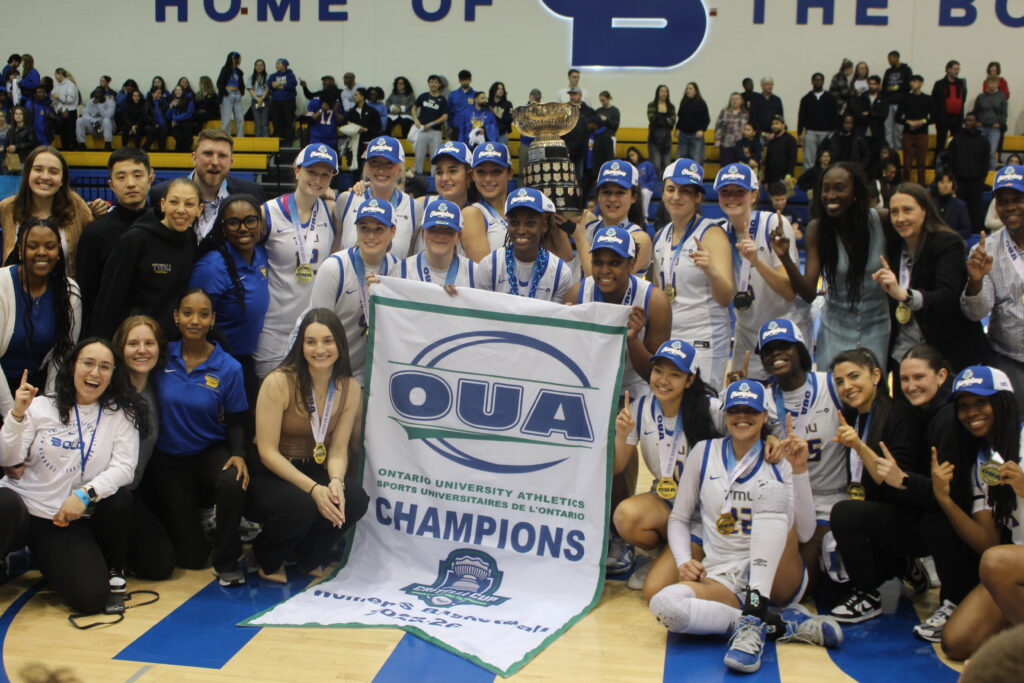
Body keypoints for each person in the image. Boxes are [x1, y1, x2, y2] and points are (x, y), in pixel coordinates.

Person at [650, 379, 839, 674]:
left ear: (765, 416)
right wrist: (684, 561)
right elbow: (679, 518)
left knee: (770, 490)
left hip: (779, 575)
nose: (742, 417)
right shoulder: (704, 452)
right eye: (735, 410)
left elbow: (804, 533)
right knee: (665, 604)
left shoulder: (779, 457)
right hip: (726, 574)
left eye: (751, 410)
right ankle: (769, 624)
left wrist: (799, 470)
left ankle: (757, 609)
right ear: (725, 414)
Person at [0, 338, 146, 614]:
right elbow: (7, 459)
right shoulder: (41, 406)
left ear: (114, 374)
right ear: (72, 367)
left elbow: (124, 468)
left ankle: (43, 560)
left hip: (59, 519)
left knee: (90, 599)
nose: (95, 373)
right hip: (20, 508)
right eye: (88, 363)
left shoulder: (121, 414)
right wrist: (17, 415)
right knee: (3, 503)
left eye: (105, 367)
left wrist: (86, 494)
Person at [246, 308, 369, 582]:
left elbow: (337, 450)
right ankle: (264, 556)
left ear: (340, 343)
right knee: (301, 505)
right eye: (310, 342)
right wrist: (314, 489)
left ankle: (305, 555)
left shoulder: (350, 388)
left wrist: (335, 480)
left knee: (353, 499)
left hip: (316, 466)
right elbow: (267, 452)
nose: (320, 349)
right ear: (299, 345)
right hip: (271, 473)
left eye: (328, 341)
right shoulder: (278, 381)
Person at [143, 289, 248, 586]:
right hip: (169, 460)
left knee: (233, 480)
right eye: (187, 312)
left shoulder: (229, 368)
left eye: (204, 314)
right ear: (176, 317)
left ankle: (227, 558)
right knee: (190, 558)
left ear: (213, 319)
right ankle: (198, 524)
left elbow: (238, 418)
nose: (195, 320)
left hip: (208, 450)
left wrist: (239, 453)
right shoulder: (160, 355)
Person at [612, 340, 722, 597]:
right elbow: (617, 467)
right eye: (658, 371)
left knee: (653, 591)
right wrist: (621, 435)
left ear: (690, 380)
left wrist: (770, 439)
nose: (663, 380)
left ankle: (703, 552)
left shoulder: (712, 410)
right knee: (625, 516)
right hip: (668, 502)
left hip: (703, 511)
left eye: (675, 374)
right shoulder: (640, 409)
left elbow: (749, 433)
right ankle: (661, 554)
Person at [827, 347, 927, 623]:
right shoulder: (856, 415)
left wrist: (858, 446)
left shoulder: (899, 414)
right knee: (829, 589)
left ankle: (869, 595)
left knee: (845, 513)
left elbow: (896, 482)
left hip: (913, 521)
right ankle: (902, 564)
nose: (847, 386)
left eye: (854, 376)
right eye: (839, 381)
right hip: (882, 517)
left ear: (875, 375)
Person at [935, 366, 1024, 659]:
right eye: (964, 406)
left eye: (981, 402)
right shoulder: (982, 461)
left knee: (997, 563)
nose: (971, 413)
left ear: (1003, 402)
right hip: (1016, 564)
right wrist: (945, 500)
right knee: (957, 641)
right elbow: (987, 543)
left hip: (1012, 563)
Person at [757, 318, 845, 592]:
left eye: (784, 346)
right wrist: (766, 435)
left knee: (808, 584)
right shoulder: (765, 399)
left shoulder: (832, 386)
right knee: (792, 585)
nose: (776, 354)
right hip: (791, 498)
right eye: (769, 350)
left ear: (802, 350)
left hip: (832, 496)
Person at [776, 162, 889, 371]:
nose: (830, 195)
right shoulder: (817, 229)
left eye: (839, 187)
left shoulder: (881, 220)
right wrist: (784, 258)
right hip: (834, 327)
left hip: (877, 325)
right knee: (832, 394)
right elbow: (809, 292)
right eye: (825, 189)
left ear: (855, 191)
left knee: (873, 395)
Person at [254, 144, 339, 378]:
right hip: (273, 327)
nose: (318, 180)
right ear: (297, 171)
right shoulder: (267, 212)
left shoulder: (332, 210)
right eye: (312, 172)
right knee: (271, 401)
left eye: (325, 174)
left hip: (312, 330)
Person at [714, 163, 802, 381]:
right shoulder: (719, 233)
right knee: (747, 405)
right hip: (746, 334)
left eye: (739, 192)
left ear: (753, 195)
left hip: (784, 329)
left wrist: (756, 261)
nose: (732, 197)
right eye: (726, 192)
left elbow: (789, 291)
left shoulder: (773, 224)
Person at [652, 159, 733, 391]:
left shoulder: (711, 233)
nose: (676, 196)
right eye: (670, 189)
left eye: (684, 191)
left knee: (703, 410)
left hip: (704, 339)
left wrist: (711, 270)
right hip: (671, 338)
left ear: (698, 197)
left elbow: (726, 297)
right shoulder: (660, 236)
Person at [567, 226, 671, 397]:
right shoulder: (576, 295)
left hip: (635, 389)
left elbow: (655, 376)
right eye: (598, 262)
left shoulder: (654, 301)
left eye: (615, 263)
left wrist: (633, 340)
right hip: (588, 385)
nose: (605, 270)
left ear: (631, 264)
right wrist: (570, 333)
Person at [92, 177, 200, 340]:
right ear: (163, 204)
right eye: (174, 202)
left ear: (200, 209)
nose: (181, 210)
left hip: (171, 344)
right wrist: (103, 344)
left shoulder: (190, 240)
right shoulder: (134, 240)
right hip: (134, 343)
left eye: (189, 204)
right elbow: (109, 301)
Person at [111, 316, 176, 587]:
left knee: (160, 565)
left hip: (132, 492)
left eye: (149, 343)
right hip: (103, 494)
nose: (141, 350)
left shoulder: (158, 387)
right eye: (133, 343)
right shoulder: (109, 389)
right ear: (120, 348)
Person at [308, 199, 400, 385]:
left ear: (393, 231)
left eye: (379, 229)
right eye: (364, 228)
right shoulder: (335, 267)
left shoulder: (397, 269)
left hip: (370, 374)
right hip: (330, 369)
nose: (370, 236)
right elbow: (316, 330)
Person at [190, 194, 269, 405]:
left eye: (250, 220)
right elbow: (193, 324)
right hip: (217, 364)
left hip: (247, 359)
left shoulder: (260, 253)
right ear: (223, 227)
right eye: (233, 222)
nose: (243, 228)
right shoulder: (212, 268)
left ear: (260, 224)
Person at [0, 218, 81, 416]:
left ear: (59, 253)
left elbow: (62, 355)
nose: (42, 252)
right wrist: (12, 413)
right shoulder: (2, 284)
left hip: (36, 388)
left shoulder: (69, 292)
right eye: (33, 246)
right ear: (20, 250)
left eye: (50, 246)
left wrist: (49, 407)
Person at [962, 165, 1024, 413]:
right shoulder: (985, 250)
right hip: (1009, 359)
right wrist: (975, 281)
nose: (1009, 207)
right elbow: (977, 313)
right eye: (1002, 201)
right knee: (1013, 434)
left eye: (1018, 199)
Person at [76, 148, 154, 334]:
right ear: (111, 185)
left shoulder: (165, 227)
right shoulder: (95, 233)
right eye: (121, 177)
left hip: (156, 337)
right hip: (110, 336)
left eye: (137, 175)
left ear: (150, 179)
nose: (130, 184)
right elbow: (88, 295)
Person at [149, 129, 266, 239]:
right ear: (194, 158)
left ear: (231, 162)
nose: (215, 162)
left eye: (222, 156)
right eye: (208, 154)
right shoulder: (160, 193)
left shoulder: (252, 193)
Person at [0, 146, 95, 276]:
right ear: (28, 174)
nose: (45, 177)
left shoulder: (76, 206)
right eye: (38, 169)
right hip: (14, 294)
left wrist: (99, 213)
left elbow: (96, 239)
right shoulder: (9, 207)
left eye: (53, 172)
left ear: (62, 180)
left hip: (64, 293)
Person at [475, 187, 571, 303]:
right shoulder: (489, 266)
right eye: (514, 223)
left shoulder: (560, 272)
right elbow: (482, 313)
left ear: (544, 226)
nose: (521, 231)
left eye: (530, 223)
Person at [335, 136, 420, 259]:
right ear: (367, 167)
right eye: (375, 162)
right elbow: (335, 249)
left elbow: (411, 259)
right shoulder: (346, 200)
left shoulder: (414, 208)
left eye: (388, 163)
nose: (381, 169)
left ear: (400, 169)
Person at [585, 160, 653, 275]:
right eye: (606, 192)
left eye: (620, 193)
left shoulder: (640, 238)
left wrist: (579, 238)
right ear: (598, 196)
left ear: (634, 197)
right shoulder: (588, 227)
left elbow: (601, 280)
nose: (612, 199)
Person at [399, 198, 475, 287]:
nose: (440, 235)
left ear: (459, 236)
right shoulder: (401, 271)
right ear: (423, 233)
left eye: (448, 230)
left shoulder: (475, 273)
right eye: (433, 229)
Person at [460, 142, 513, 262]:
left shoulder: (517, 210)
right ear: (473, 175)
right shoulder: (471, 213)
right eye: (481, 172)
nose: (488, 179)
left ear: (509, 173)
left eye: (496, 171)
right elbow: (483, 273)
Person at [948, 113, 991, 234]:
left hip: (976, 182)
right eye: (966, 120)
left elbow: (985, 162)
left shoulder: (983, 141)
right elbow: (950, 160)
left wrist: (981, 180)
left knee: (976, 211)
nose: (967, 122)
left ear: (977, 122)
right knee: (959, 210)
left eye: (971, 120)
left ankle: (977, 236)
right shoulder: (956, 140)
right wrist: (954, 180)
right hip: (960, 182)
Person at [797, 73, 839, 174]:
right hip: (810, 132)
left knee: (826, 159)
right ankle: (808, 182)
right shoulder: (806, 99)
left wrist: (833, 133)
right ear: (812, 82)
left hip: (826, 133)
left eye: (820, 80)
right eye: (815, 80)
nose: (818, 82)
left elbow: (834, 116)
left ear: (823, 82)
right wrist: (799, 133)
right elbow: (801, 116)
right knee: (809, 160)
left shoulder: (830, 98)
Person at [419, 141, 474, 210]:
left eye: (452, 171)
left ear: (469, 176)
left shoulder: (483, 213)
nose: (444, 178)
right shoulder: (420, 206)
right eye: (439, 172)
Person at [411, 75, 448, 175]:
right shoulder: (423, 96)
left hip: (436, 132)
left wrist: (431, 124)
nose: (433, 84)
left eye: (435, 82)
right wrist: (416, 120)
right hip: (422, 131)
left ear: (439, 84)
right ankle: (417, 179)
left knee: (435, 157)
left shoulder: (442, 100)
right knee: (419, 156)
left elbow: (445, 117)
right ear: (428, 83)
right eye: (431, 82)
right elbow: (414, 108)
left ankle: (434, 179)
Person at [898, 75, 931, 185]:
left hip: (922, 133)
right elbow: (897, 117)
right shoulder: (905, 98)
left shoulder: (927, 99)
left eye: (915, 81)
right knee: (907, 164)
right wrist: (908, 121)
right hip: (908, 133)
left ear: (921, 83)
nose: (913, 84)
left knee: (921, 163)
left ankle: (921, 187)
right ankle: (906, 186)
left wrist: (922, 121)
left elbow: (934, 117)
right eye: (911, 81)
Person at [338, 88, 381, 172]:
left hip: (367, 142)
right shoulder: (351, 112)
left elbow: (377, 126)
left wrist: (366, 130)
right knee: (355, 167)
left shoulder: (372, 111)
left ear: (362, 97)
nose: (354, 97)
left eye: (356, 95)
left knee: (367, 166)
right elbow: (343, 125)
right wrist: (354, 129)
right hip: (354, 142)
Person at [932, 60, 967, 153]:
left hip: (957, 118)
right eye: (955, 69)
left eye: (958, 69)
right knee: (940, 142)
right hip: (943, 118)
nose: (957, 71)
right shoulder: (939, 84)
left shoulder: (961, 83)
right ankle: (938, 163)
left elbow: (963, 99)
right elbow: (934, 100)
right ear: (948, 69)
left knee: (956, 142)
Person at [975, 77, 1008, 171]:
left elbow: (1004, 113)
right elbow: (976, 111)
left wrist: (1000, 123)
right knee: (980, 151)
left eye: (994, 83)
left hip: (994, 128)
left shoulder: (1002, 96)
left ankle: (991, 172)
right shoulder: (981, 96)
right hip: (981, 127)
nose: (992, 85)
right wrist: (977, 122)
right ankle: (979, 171)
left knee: (991, 152)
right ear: (986, 84)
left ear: (998, 84)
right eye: (990, 83)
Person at [882, 50, 913, 150]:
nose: (890, 62)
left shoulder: (906, 70)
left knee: (899, 129)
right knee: (888, 128)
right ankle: (890, 149)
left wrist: (895, 88)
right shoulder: (888, 71)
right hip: (889, 102)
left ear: (897, 58)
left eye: (891, 59)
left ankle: (899, 150)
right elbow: (884, 87)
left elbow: (909, 85)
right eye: (888, 60)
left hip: (901, 103)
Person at [931, 172, 972, 240]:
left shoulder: (960, 205)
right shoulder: (930, 204)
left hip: (953, 243)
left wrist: (949, 236)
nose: (945, 185)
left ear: (953, 184)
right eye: (942, 182)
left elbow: (966, 231)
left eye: (949, 182)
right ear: (937, 185)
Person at [647, 85, 675, 177]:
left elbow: (672, 121)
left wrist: (660, 120)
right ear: (658, 93)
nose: (664, 93)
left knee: (667, 164)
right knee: (656, 164)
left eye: (666, 91)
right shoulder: (651, 105)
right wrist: (665, 120)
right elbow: (652, 119)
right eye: (662, 91)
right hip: (654, 137)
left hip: (667, 137)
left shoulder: (671, 106)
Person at [268, 58, 297, 146]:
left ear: (284, 65)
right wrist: (283, 83)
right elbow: (270, 84)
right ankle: (277, 140)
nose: (276, 65)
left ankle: (288, 141)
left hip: (288, 102)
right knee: (276, 121)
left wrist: (277, 85)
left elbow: (292, 84)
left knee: (288, 122)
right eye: (276, 63)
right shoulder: (273, 75)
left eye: (278, 63)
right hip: (275, 102)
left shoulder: (290, 75)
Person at [216, 52, 245, 138]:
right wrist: (225, 92)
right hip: (227, 95)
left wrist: (241, 92)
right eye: (233, 58)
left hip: (237, 95)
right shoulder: (225, 69)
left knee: (240, 118)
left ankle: (240, 136)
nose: (235, 60)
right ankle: (225, 137)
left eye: (237, 58)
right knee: (226, 119)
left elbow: (241, 84)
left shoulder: (239, 72)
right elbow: (219, 83)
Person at [714, 93, 747, 167]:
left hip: (741, 145)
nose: (735, 101)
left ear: (741, 101)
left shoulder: (746, 113)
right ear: (730, 101)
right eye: (733, 99)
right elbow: (718, 126)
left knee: (739, 168)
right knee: (726, 167)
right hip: (726, 144)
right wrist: (717, 139)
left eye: (737, 99)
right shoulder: (724, 112)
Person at [591, 91, 620, 175]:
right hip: (599, 138)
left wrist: (606, 120)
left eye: (603, 100)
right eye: (600, 100)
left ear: (608, 99)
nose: (602, 102)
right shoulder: (598, 110)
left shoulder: (614, 110)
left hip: (610, 137)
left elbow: (615, 125)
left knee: (609, 158)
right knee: (599, 159)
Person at [763, 116, 797, 185]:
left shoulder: (790, 140)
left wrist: (789, 175)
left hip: (784, 178)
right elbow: (768, 160)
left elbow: (792, 159)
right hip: (771, 179)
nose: (774, 126)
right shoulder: (771, 141)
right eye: (772, 124)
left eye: (777, 123)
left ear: (783, 125)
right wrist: (766, 179)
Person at [51, 68, 79, 151]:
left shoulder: (70, 85)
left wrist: (59, 97)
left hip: (69, 111)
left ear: (60, 74)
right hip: (60, 111)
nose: (55, 77)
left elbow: (71, 99)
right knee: (63, 132)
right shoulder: (58, 86)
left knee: (69, 131)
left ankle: (72, 148)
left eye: (56, 75)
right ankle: (65, 148)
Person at [447, 69, 476, 140]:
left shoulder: (476, 95)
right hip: (457, 127)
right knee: (456, 149)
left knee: (470, 149)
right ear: (459, 81)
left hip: (471, 127)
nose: (464, 82)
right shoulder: (452, 94)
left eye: (466, 79)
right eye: (462, 80)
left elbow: (478, 111)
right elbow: (449, 112)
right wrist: (450, 127)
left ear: (470, 80)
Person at [166, 85, 195, 153]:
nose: (177, 91)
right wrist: (171, 107)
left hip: (186, 123)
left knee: (188, 137)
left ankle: (186, 156)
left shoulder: (189, 100)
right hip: (176, 125)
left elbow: (188, 114)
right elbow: (168, 116)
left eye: (179, 90)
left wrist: (175, 119)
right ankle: (178, 156)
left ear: (183, 91)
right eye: (176, 90)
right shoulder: (171, 101)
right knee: (179, 137)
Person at [141, 87, 168, 152]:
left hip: (161, 126)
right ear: (152, 94)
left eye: (160, 93)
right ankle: (144, 149)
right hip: (150, 125)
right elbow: (146, 116)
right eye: (158, 93)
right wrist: (154, 123)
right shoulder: (147, 103)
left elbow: (164, 115)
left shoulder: (162, 103)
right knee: (155, 129)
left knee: (163, 132)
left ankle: (161, 153)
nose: (160, 95)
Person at [248, 59, 270, 137]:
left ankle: (266, 140)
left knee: (264, 121)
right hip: (255, 100)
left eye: (261, 65)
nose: (259, 67)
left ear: (264, 67)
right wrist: (257, 99)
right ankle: (258, 140)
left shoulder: (267, 77)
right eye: (257, 65)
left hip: (265, 99)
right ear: (255, 67)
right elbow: (250, 89)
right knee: (257, 122)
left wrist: (261, 98)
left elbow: (268, 89)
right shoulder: (251, 77)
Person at [487, 82, 513, 148]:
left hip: (502, 134)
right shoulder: (488, 104)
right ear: (494, 90)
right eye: (498, 89)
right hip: (489, 134)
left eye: (502, 89)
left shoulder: (508, 104)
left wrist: (495, 113)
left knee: (503, 153)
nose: (501, 91)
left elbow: (510, 119)